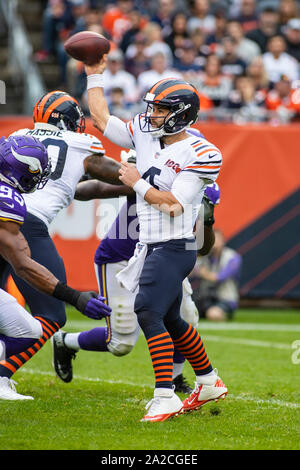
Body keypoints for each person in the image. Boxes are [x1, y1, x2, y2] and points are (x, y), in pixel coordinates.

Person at [83, 58, 227, 422]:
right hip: (151, 244)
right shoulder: (146, 134)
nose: (153, 115)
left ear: (181, 114)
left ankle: (165, 395)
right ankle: (209, 381)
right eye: (153, 108)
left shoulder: (202, 153)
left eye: (161, 109)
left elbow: (176, 206)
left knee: (146, 310)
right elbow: (102, 119)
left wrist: (135, 182)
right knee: (173, 319)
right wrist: (93, 72)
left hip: (175, 246)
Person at [52, 161, 220, 395]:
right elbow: (99, 189)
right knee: (121, 343)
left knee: (187, 318)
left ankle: (174, 378)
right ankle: (65, 341)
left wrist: (208, 220)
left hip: (164, 257)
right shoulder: (152, 177)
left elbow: (203, 248)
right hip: (121, 258)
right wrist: (66, 188)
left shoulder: (201, 186)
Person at [0, 90, 122, 400]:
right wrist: (139, 182)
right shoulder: (81, 143)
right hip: (27, 222)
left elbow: (78, 190)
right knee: (52, 314)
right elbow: (108, 171)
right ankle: (2, 373)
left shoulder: (20, 134)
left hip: (10, 213)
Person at [190, 229, 242, 321]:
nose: (214, 242)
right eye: (212, 239)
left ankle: (222, 314)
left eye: (217, 239)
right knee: (184, 314)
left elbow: (219, 278)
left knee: (213, 314)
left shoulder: (233, 257)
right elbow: (189, 273)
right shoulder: (203, 256)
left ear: (223, 241)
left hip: (225, 298)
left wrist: (202, 272)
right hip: (204, 298)